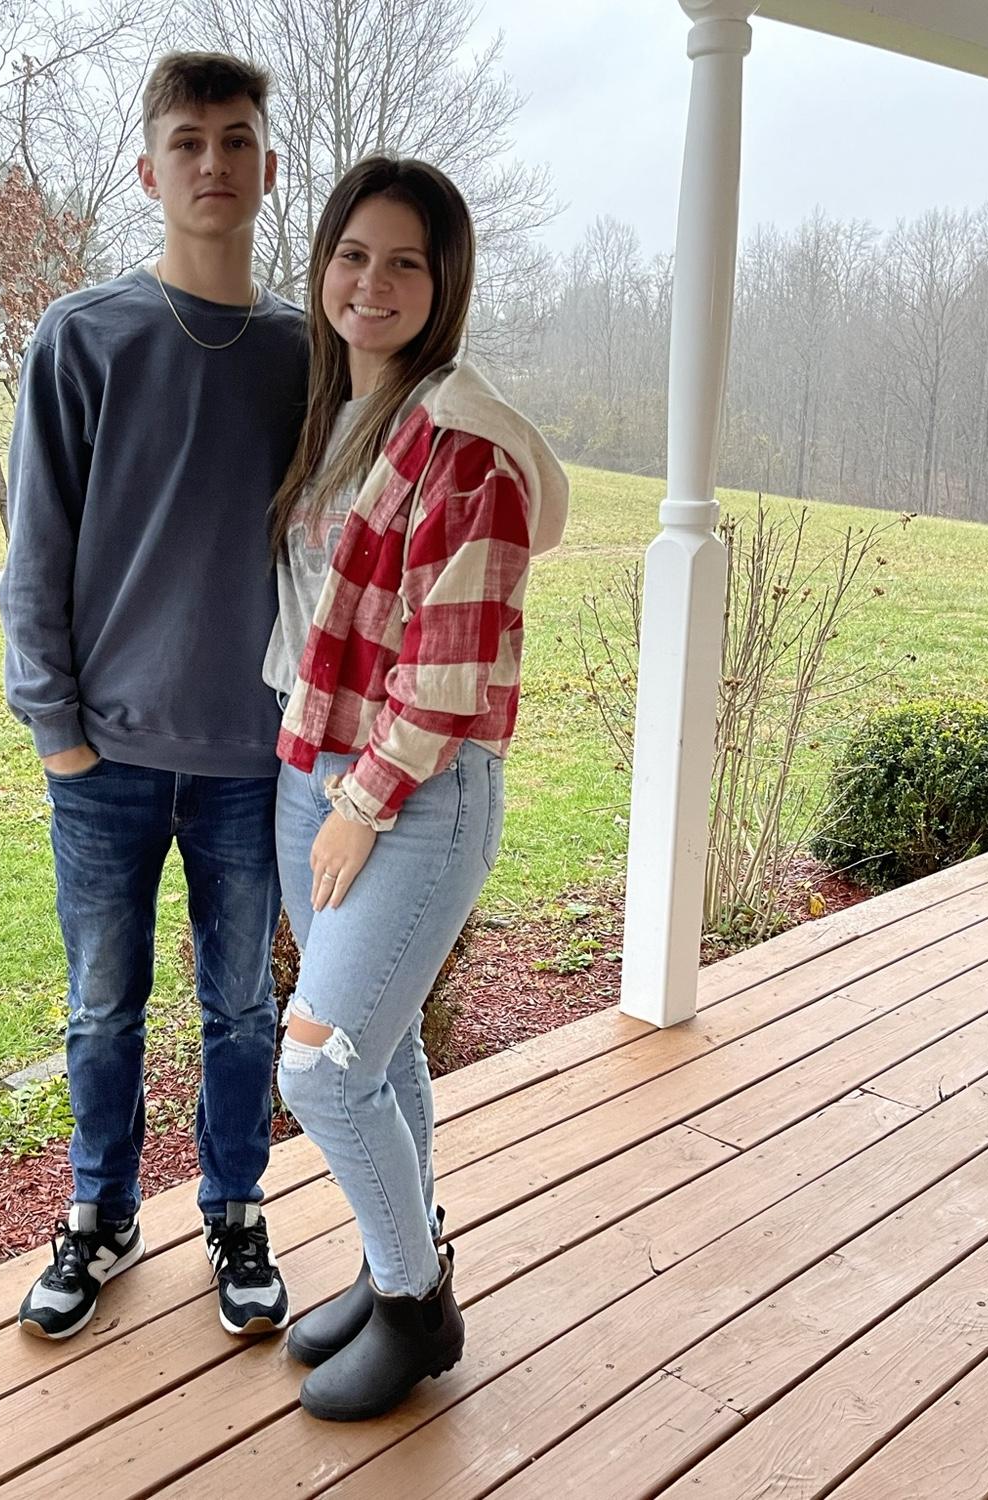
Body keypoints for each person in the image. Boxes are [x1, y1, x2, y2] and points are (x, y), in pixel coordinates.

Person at [0, 52, 308, 1342]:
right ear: (148, 168)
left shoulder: (309, 356)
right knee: (100, 1007)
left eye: (235, 140)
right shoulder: (85, 338)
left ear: (268, 168)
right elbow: (37, 548)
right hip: (106, 761)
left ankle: (235, 1207)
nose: (212, 162)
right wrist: (56, 729)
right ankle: (102, 1212)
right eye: (188, 140)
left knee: (242, 1007)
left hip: (252, 758)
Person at [264, 155, 568, 1420]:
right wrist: (318, 784)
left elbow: (447, 677)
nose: (372, 283)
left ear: (445, 284)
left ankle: (415, 1308)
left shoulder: (464, 445)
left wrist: (359, 803)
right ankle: (396, 1261)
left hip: (410, 795)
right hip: (315, 768)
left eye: (406, 262)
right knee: (378, 1059)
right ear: (323, 264)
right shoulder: (344, 410)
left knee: (321, 1069)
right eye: (352, 254)